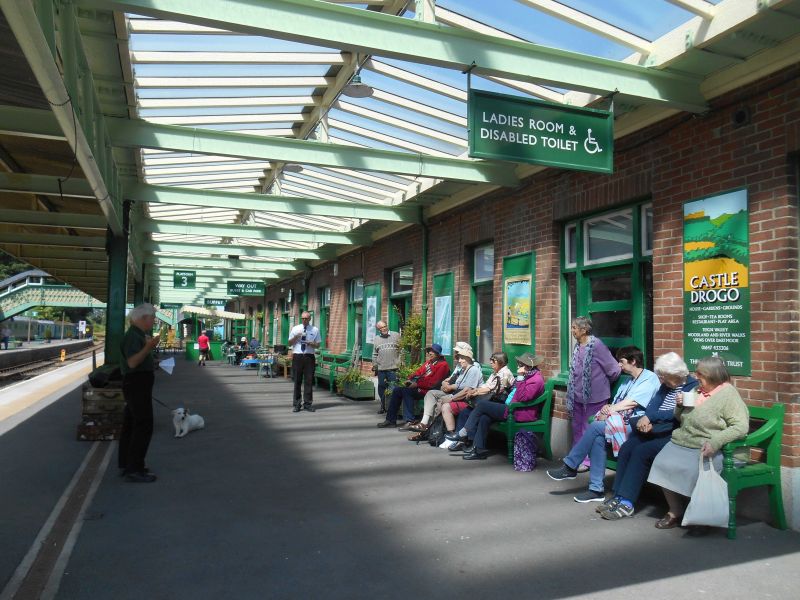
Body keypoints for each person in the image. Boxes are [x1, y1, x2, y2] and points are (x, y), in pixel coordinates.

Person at [646, 356, 748, 532]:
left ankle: (703, 517)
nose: (695, 375)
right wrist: (679, 406)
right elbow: (681, 417)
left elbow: (741, 426)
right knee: (662, 463)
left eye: (699, 373)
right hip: (684, 440)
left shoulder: (727, 394)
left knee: (694, 471)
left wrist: (715, 441)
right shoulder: (696, 390)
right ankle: (675, 511)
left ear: (712, 375)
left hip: (710, 446)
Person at [547, 346, 660, 502]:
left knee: (595, 427)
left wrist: (610, 410)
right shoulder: (628, 380)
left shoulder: (650, 378)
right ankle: (596, 489)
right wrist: (607, 408)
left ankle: (570, 466)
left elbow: (632, 403)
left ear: (633, 361)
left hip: (636, 424)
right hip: (618, 422)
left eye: (622, 362)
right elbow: (617, 402)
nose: (619, 365)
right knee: (598, 438)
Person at [594, 352, 698, 519]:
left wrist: (651, 418)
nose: (661, 380)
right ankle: (618, 495)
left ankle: (628, 502)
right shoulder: (666, 385)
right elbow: (652, 407)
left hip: (674, 431)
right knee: (627, 447)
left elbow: (677, 414)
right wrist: (646, 419)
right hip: (655, 427)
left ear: (676, 373)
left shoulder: (691, 387)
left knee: (642, 451)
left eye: (663, 376)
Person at [449, 352, 545, 458]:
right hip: (513, 408)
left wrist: (520, 377)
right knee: (484, 417)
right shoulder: (530, 376)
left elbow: (523, 397)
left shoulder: (536, 380)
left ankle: (463, 432)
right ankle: (478, 450)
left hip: (518, 412)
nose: (518, 367)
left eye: (520, 364)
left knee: (482, 405)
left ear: (527, 366)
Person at [566, 316, 621, 471]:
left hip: (595, 397)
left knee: (586, 429)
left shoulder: (596, 345)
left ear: (584, 330)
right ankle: (576, 458)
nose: (572, 330)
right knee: (577, 428)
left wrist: (601, 383)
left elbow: (614, 370)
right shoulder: (578, 346)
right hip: (577, 396)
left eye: (574, 328)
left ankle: (587, 461)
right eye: (572, 327)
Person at [118, 303, 162, 483]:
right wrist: (149, 346)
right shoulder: (133, 337)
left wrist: (151, 361)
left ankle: (127, 464)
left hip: (137, 383)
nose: (153, 321)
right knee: (143, 424)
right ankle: (135, 468)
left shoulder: (136, 335)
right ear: (143, 318)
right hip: (136, 383)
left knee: (131, 423)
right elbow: (132, 363)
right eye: (152, 318)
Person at [378, 344, 449, 428]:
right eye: (428, 351)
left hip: (429, 391)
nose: (429, 353)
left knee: (407, 391)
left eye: (432, 351)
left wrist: (417, 384)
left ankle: (410, 420)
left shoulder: (443, 365)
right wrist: (409, 379)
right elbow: (418, 372)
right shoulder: (429, 363)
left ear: (438, 354)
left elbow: (433, 383)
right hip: (419, 387)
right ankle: (390, 420)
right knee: (397, 390)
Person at [408, 341, 473, 433]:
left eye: (458, 353)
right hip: (449, 390)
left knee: (438, 400)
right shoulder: (459, 365)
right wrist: (445, 384)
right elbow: (449, 379)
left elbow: (465, 386)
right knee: (428, 393)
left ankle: (433, 429)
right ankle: (424, 423)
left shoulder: (470, 367)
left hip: (458, 394)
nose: (456, 355)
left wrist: (449, 387)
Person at [436, 347, 485, 444]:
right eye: (459, 358)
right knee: (440, 401)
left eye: (462, 358)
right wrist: (447, 387)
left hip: (470, 402)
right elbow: (458, 385)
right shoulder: (463, 370)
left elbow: (467, 390)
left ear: (468, 359)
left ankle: (452, 435)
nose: (459, 360)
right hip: (461, 398)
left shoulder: (474, 370)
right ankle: (441, 432)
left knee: (446, 406)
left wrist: (451, 399)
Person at [288, 312, 321, 412]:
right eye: (302, 318)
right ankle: (297, 404)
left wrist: (312, 344)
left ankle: (308, 403)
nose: (304, 320)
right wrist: (296, 337)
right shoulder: (295, 328)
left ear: (309, 319)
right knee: (297, 380)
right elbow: (289, 342)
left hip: (309, 356)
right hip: (298, 356)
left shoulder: (315, 330)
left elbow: (318, 345)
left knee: (309, 380)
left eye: (306, 318)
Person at [371, 320, 401, 414]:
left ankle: (391, 408)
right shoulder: (376, 339)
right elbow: (374, 354)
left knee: (393, 387)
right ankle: (383, 406)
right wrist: (375, 365)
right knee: (381, 387)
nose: (383, 329)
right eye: (380, 328)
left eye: (384, 327)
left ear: (387, 325)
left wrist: (400, 363)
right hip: (381, 368)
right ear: (378, 330)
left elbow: (402, 350)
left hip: (394, 367)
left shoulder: (396, 335)